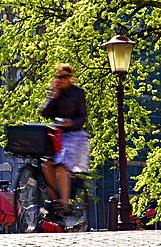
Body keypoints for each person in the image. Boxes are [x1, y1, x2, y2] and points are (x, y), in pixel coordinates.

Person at [41, 63, 90, 214]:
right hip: (58, 134)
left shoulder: (78, 93)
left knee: (62, 165)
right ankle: (54, 197)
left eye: (64, 77)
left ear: (70, 78)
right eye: (58, 77)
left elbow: (82, 116)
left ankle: (65, 201)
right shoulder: (56, 93)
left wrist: (72, 123)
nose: (60, 80)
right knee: (46, 164)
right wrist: (53, 97)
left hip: (74, 135)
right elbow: (44, 113)